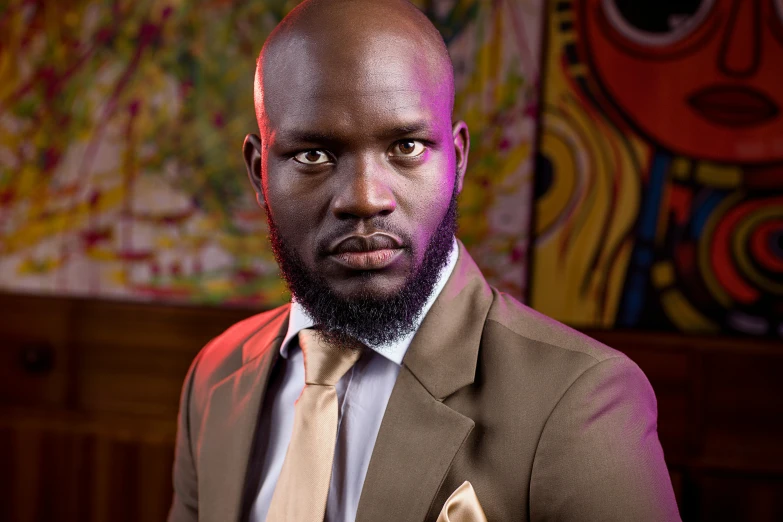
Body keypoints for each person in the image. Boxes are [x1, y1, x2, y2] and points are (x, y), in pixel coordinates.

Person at [167, 0, 681, 521]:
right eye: (314, 155)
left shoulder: (580, 401)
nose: (366, 199)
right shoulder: (215, 377)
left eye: (406, 146)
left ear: (456, 161)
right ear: (259, 175)